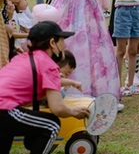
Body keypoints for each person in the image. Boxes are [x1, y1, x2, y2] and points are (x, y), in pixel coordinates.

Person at [0, 21, 90, 154]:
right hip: (4, 109)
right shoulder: (48, 64)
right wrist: (75, 112)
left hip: (5, 109)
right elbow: (57, 108)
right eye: (62, 40)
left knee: (6, 132)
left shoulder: (21, 59)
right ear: (53, 43)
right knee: (51, 125)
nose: (65, 45)